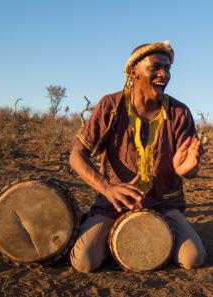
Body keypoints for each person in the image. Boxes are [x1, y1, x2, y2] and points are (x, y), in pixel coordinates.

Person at [69, 41, 206, 273]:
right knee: (85, 262)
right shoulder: (111, 106)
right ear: (133, 73)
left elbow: (188, 169)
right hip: (115, 203)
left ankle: (146, 237)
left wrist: (187, 170)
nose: (164, 74)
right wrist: (107, 188)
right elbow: (76, 155)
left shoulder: (179, 112)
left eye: (168, 68)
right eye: (155, 67)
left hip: (163, 203)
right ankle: (103, 231)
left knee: (193, 258)